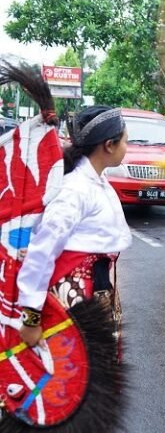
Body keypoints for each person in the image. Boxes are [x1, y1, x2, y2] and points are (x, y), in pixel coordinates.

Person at [17, 105, 132, 348]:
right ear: (109, 145)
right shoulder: (74, 190)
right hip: (75, 298)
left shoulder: (97, 182)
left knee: (97, 374)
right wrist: (31, 319)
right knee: (77, 374)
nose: (127, 147)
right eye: (125, 141)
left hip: (97, 290)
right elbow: (42, 251)